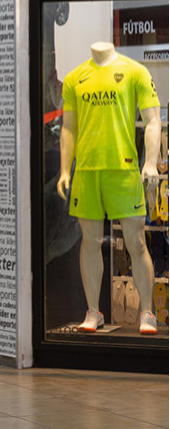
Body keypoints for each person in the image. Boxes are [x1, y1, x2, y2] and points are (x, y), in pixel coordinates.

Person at [57, 41, 162, 335]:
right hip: (87, 171)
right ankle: (93, 311)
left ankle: (147, 312)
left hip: (123, 170)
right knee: (90, 241)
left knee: (136, 242)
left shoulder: (135, 71)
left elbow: (153, 120)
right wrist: (65, 170)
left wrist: (150, 163)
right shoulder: (75, 78)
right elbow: (68, 127)